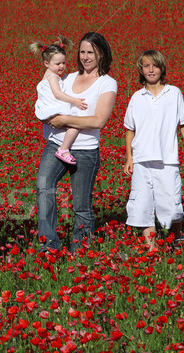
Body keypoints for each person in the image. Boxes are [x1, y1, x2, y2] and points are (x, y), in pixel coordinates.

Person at [36, 32, 117, 252]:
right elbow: (47, 96)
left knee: (81, 204)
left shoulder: (107, 83)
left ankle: (81, 251)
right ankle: (49, 246)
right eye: (82, 51)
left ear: (101, 53)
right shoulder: (67, 78)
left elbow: (99, 120)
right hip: (56, 143)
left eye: (91, 52)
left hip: (85, 150)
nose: (85, 57)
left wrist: (65, 120)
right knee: (43, 186)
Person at [123, 50, 184, 250]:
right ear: (141, 69)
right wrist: (129, 157)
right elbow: (130, 130)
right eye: (146, 66)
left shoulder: (174, 93)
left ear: (162, 68)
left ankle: (177, 238)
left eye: (155, 66)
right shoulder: (136, 97)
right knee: (142, 205)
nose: (151, 70)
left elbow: (183, 125)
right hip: (142, 159)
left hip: (167, 159)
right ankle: (151, 247)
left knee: (171, 202)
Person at [30, 37, 88, 164]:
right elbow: (58, 94)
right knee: (76, 123)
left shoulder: (48, 74)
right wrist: (75, 101)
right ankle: (64, 149)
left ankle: (62, 146)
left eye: (63, 63)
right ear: (46, 63)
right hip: (54, 106)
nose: (62, 66)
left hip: (47, 107)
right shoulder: (53, 77)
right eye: (57, 64)